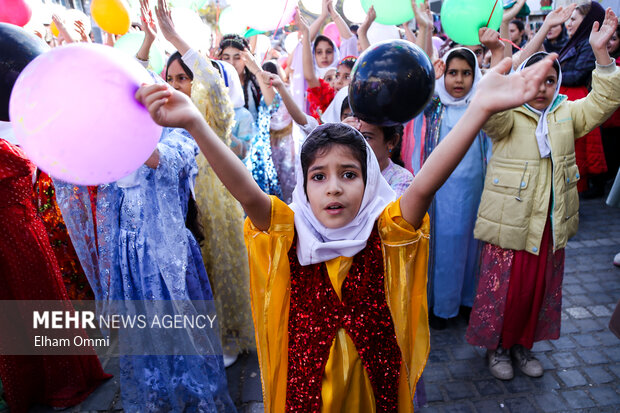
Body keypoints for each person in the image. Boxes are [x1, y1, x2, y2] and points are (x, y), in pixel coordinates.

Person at [136, 44, 558, 411]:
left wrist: (480, 108)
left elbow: (427, 182)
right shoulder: (290, 233)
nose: (334, 188)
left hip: (373, 386)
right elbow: (247, 195)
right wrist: (194, 121)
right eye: (318, 176)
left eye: (349, 174)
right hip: (307, 390)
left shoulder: (385, 230)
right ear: (303, 184)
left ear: (370, 179)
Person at [466, 8, 620, 381]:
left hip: (550, 222)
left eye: (551, 81)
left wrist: (602, 55)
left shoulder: (567, 114)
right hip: (510, 222)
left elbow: (604, 103)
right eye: (537, 81)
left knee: (536, 292)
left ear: (558, 84)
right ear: (523, 81)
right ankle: (498, 349)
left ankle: (522, 347)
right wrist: (500, 61)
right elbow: (483, 105)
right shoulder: (506, 115)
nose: (543, 88)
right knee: (505, 290)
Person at [156, 0, 255, 367]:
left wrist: (173, 38)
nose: (176, 85)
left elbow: (211, 79)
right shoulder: (165, 113)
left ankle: (230, 339)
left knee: (220, 266)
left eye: (183, 77)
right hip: (180, 202)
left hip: (215, 196)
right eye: (170, 78)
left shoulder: (209, 104)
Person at [422, 47, 490, 330]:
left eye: (466, 73)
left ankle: (467, 301)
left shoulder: (482, 107)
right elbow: (418, 99)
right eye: (452, 73)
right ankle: (442, 306)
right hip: (441, 193)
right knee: (445, 247)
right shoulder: (434, 106)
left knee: (472, 246)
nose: (458, 80)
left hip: (475, 190)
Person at [559, 1, 607, 197]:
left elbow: (578, 75)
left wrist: (555, 73)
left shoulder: (588, 44)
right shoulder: (574, 42)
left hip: (581, 101)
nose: (567, 24)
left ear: (587, 21)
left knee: (581, 153)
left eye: (573, 19)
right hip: (571, 101)